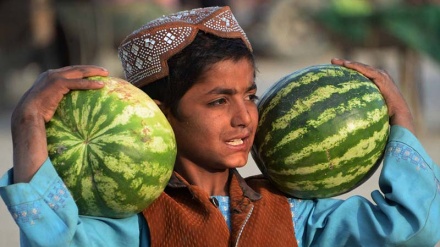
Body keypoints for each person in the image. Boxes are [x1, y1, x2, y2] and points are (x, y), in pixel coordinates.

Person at [1, 6, 439, 247]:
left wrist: (400, 122)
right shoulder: (132, 227)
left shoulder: (295, 215)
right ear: (158, 114)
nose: (244, 116)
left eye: (250, 95)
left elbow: (417, 229)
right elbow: (51, 240)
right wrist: (28, 124)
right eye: (218, 100)